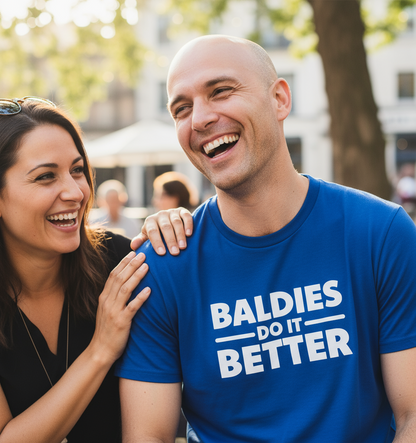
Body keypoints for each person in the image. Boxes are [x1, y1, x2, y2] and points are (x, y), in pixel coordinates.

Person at [116, 35, 416, 442]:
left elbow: (412, 414)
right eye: (181, 109)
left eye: (220, 91)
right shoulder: (163, 264)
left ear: (279, 99)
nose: (200, 118)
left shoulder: (380, 232)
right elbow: (147, 436)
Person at [0, 96, 174, 443]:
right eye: (46, 176)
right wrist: (102, 349)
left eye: (77, 170)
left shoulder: (125, 264)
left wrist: (179, 228)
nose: (76, 192)